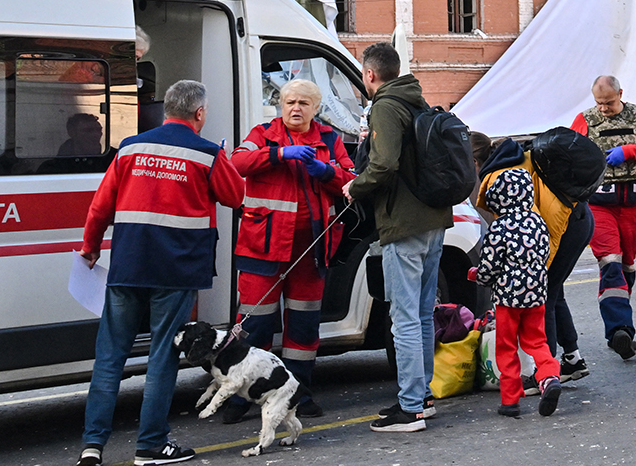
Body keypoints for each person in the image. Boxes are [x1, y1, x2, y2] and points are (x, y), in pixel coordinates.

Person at [77, 79, 245, 466]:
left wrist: (90, 247)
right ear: (199, 113)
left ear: (166, 109)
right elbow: (235, 197)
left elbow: (101, 205)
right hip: (176, 269)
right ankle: (151, 445)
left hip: (127, 266)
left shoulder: (131, 148)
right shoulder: (206, 154)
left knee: (109, 358)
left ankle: (92, 446)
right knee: (161, 357)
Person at [220, 78, 355, 423]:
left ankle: (298, 394)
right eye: (290, 102)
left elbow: (351, 181)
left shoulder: (329, 139)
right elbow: (237, 164)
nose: (296, 108)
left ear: (315, 108)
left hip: (310, 251)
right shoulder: (262, 134)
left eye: (303, 103)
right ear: (281, 105)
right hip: (262, 249)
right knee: (253, 327)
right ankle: (240, 397)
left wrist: (327, 171)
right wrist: (279, 154)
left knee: (304, 329)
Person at [343, 43, 450, 433]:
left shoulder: (386, 107)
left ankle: (410, 408)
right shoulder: (415, 100)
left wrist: (356, 186)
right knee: (422, 315)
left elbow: (384, 164)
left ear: (369, 75)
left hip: (403, 223)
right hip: (433, 220)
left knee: (403, 318)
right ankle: (421, 397)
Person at [470, 132, 591, 377]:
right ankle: (572, 359)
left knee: (542, 294)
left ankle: (544, 373)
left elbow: (528, 223)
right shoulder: (514, 160)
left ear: (473, 162)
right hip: (580, 217)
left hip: (565, 225)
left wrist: (536, 267)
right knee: (554, 290)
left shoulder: (497, 176)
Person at [569, 75, 636, 361]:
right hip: (599, 205)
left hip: (633, 206)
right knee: (610, 262)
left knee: (627, 266)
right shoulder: (584, 119)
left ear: (620, 94)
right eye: (599, 103)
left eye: (609, 103)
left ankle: (621, 321)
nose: (603, 109)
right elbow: (568, 153)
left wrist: (628, 152)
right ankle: (619, 331)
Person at [472, 160, 564, 418]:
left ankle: (510, 399)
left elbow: (489, 266)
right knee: (538, 342)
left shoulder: (499, 228)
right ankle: (548, 377)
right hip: (536, 294)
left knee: (507, 346)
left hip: (507, 299)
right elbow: (545, 254)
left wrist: (478, 276)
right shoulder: (538, 222)